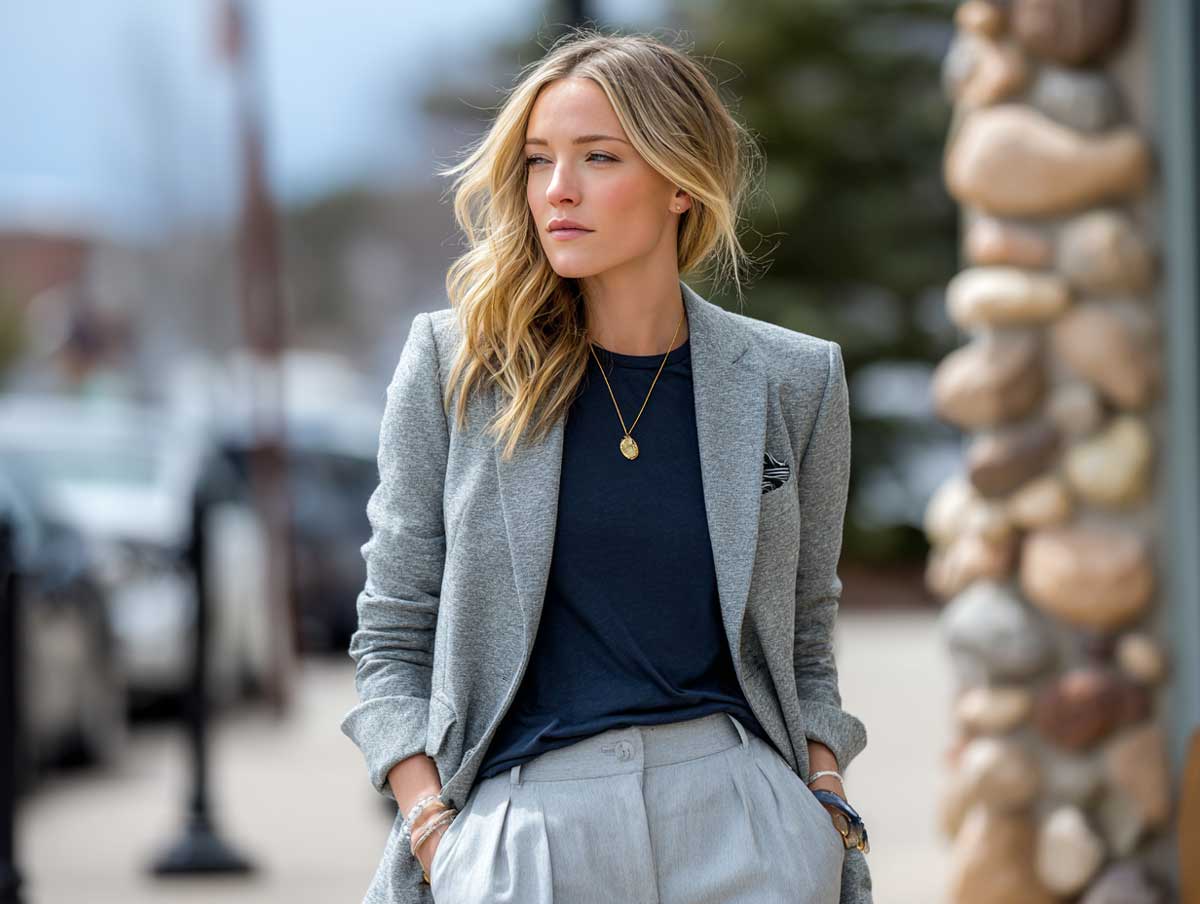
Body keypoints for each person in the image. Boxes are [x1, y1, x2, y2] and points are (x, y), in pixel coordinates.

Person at [340, 28, 872, 904]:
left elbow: (806, 632)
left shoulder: (794, 379)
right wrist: (437, 832)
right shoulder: (457, 366)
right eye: (539, 160)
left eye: (598, 158)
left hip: (746, 827)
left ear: (678, 182)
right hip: (528, 834)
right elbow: (393, 631)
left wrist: (821, 801)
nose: (558, 191)